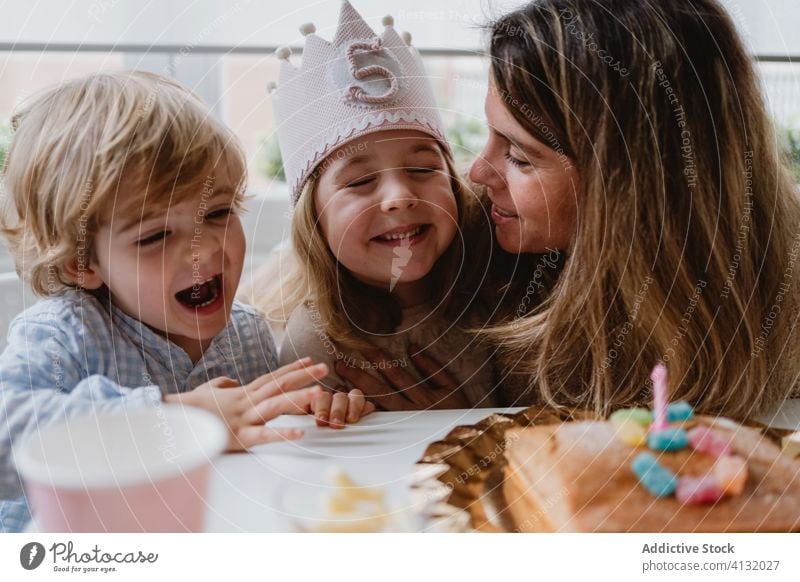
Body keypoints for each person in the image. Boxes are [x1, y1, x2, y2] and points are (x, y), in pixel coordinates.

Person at [341, 0, 800, 419]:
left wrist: (496, 429)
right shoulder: (462, 233)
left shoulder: (781, 304)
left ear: (631, 184)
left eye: (519, 157)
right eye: (492, 136)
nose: (479, 172)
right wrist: (456, 422)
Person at [0, 70, 326, 532]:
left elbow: (263, 454)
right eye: (155, 236)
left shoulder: (247, 334)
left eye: (217, 213)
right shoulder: (65, 335)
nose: (205, 250)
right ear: (80, 264)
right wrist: (174, 419)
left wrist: (315, 411)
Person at [257, 1, 498, 428]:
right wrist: (332, 420)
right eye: (358, 182)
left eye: (423, 169)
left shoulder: (497, 294)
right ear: (313, 219)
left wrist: (455, 423)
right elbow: (315, 470)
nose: (398, 197)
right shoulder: (314, 341)